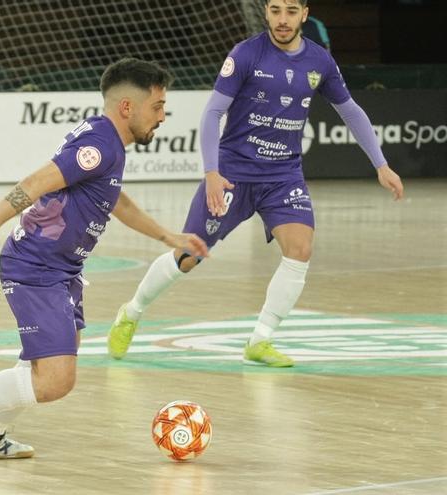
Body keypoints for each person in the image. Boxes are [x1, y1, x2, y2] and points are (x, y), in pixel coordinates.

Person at [0, 58, 208, 463]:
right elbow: (33, 185)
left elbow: (114, 198)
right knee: (55, 381)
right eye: (156, 106)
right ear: (127, 107)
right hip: (35, 266)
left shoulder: (109, 141)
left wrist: (167, 235)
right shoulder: (99, 145)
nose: (162, 116)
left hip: (62, 267)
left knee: (47, 358)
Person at [107, 0, 404, 367]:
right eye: (276, 10)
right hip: (233, 175)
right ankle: (132, 313)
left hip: (283, 176)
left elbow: (351, 111)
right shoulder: (245, 55)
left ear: (304, 14)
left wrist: (381, 164)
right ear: (266, 12)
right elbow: (214, 111)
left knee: (300, 250)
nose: (283, 19)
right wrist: (212, 173)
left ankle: (260, 340)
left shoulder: (320, 61)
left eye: (291, 11)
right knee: (188, 256)